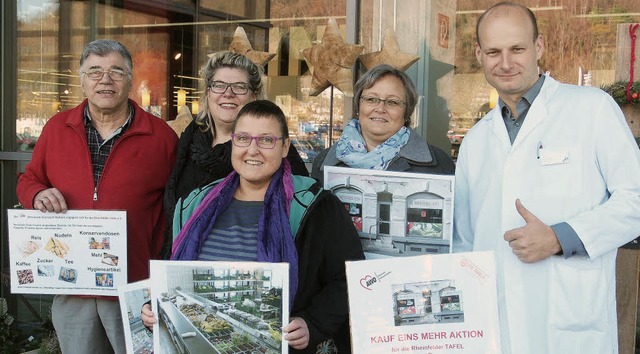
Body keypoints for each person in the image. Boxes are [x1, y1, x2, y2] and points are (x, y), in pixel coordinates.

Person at [453, 3, 640, 353]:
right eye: (494, 51)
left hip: (569, 324)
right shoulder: (476, 141)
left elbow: (635, 200)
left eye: (517, 49)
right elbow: (465, 241)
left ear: (538, 47)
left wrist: (558, 238)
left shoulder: (591, 108)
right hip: (496, 328)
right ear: (479, 54)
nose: (505, 63)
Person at [142, 100, 364, 353]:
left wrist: (312, 323)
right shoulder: (195, 204)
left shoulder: (316, 207)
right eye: (244, 138)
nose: (253, 150)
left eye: (267, 140)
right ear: (233, 143)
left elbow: (349, 277)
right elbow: (171, 272)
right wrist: (153, 306)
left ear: (285, 147)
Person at [16, 39, 178, 353]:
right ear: (82, 80)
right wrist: (36, 194)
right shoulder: (56, 128)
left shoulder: (162, 138)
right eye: (95, 72)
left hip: (135, 287)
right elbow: (29, 179)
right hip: (72, 283)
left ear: (131, 80)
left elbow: (177, 209)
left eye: (117, 71)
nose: (106, 80)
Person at [164, 51, 308, 253]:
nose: (228, 93)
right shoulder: (191, 137)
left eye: (239, 87)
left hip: (251, 259)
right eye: (219, 85)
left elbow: (300, 207)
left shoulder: (272, 147)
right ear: (208, 93)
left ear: (254, 96)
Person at [311, 64, 455, 182]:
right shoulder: (324, 161)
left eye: (392, 102)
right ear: (358, 106)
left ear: (407, 112)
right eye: (371, 99)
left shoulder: (441, 165)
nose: (380, 109)